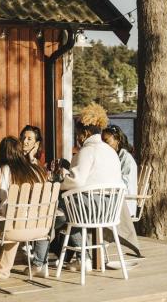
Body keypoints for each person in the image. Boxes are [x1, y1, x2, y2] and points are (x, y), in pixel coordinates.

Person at [51, 104, 123, 254]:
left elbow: (76, 181)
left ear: (85, 133)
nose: (77, 138)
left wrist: (58, 183)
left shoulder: (87, 151)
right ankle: (82, 258)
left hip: (91, 209)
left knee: (54, 207)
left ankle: (41, 244)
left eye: (78, 134)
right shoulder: (111, 152)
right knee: (71, 211)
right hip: (111, 210)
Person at [0, 136, 50, 280]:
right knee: (12, 221)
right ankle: (2, 271)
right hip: (40, 229)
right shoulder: (37, 171)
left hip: (14, 230)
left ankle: (2, 271)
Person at [102, 124, 138, 217]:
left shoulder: (126, 159)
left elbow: (124, 185)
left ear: (117, 140)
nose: (104, 145)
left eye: (106, 141)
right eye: (102, 142)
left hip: (124, 204)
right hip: (114, 199)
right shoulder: (113, 157)